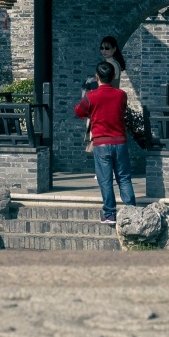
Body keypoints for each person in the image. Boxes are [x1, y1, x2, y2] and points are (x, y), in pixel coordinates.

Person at [75, 60, 135, 224]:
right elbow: (121, 110)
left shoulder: (91, 96)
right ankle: (132, 211)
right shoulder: (121, 94)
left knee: (105, 179)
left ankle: (109, 213)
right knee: (124, 178)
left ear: (97, 77)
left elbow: (79, 112)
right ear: (113, 76)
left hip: (101, 143)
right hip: (120, 142)